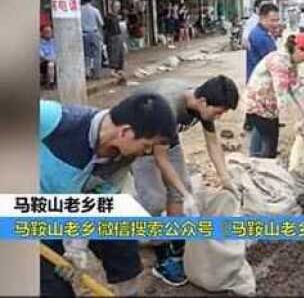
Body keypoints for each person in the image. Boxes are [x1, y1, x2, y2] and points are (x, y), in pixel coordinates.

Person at [39, 93, 177, 297]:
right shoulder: (54, 119)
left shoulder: (121, 158)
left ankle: (129, 293)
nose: (146, 152)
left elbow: (95, 203)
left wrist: (76, 248)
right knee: (53, 287)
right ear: (126, 132)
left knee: (119, 235)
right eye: (147, 145)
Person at [130, 75, 239, 286]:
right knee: (154, 200)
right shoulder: (168, 107)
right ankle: (162, 257)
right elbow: (160, 159)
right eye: (218, 112)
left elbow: (213, 144)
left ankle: (177, 244)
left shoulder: (202, 103)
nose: (218, 117)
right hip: (137, 139)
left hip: (166, 140)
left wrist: (226, 179)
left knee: (180, 191)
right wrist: (188, 196)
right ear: (204, 102)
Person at [244, 33, 304, 158]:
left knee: (263, 137)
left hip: (266, 106)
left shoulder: (291, 62)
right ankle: (262, 167)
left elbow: (295, 89)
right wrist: (296, 121)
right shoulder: (279, 61)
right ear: (298, 49)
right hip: (259, 105)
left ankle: (254, 162)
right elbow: (282, 94)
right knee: (269, 144)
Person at [246, 2, 280, 82]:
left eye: (277, 20)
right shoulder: (261, 37)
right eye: (272, 20)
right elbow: (274, 64)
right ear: (262, 18)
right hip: (260, 83)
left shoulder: (259, 32)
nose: (276, 24)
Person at [81, 0, 104, 80]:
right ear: (91, 0)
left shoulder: (79, 11)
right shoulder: (95, 10)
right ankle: (96, 74)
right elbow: (101, 23)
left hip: (84, 34)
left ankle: (87, 73)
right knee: (97, 55)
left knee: (86, 55)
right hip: (94, 33)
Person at [104, 0, 126, 80]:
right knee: (113, 53)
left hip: (119, 36)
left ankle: (119, 69)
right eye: (116, 6)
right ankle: (112, 70)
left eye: (118, 6)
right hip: (112, 37)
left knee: (120, 53)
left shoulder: (118, 16)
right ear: (112, 7)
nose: (117, 8)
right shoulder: (108, 17)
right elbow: (105, 28)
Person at [39, 24, 56, 89]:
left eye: (50, 31)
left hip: (55, 61)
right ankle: (50, 83)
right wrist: (51, 59)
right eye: (46, 32)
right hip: (44, 62)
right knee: (50, 64)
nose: (48, 33)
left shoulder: (54, 41)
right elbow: (41, 55)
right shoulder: (40, 43)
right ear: (42, 33)